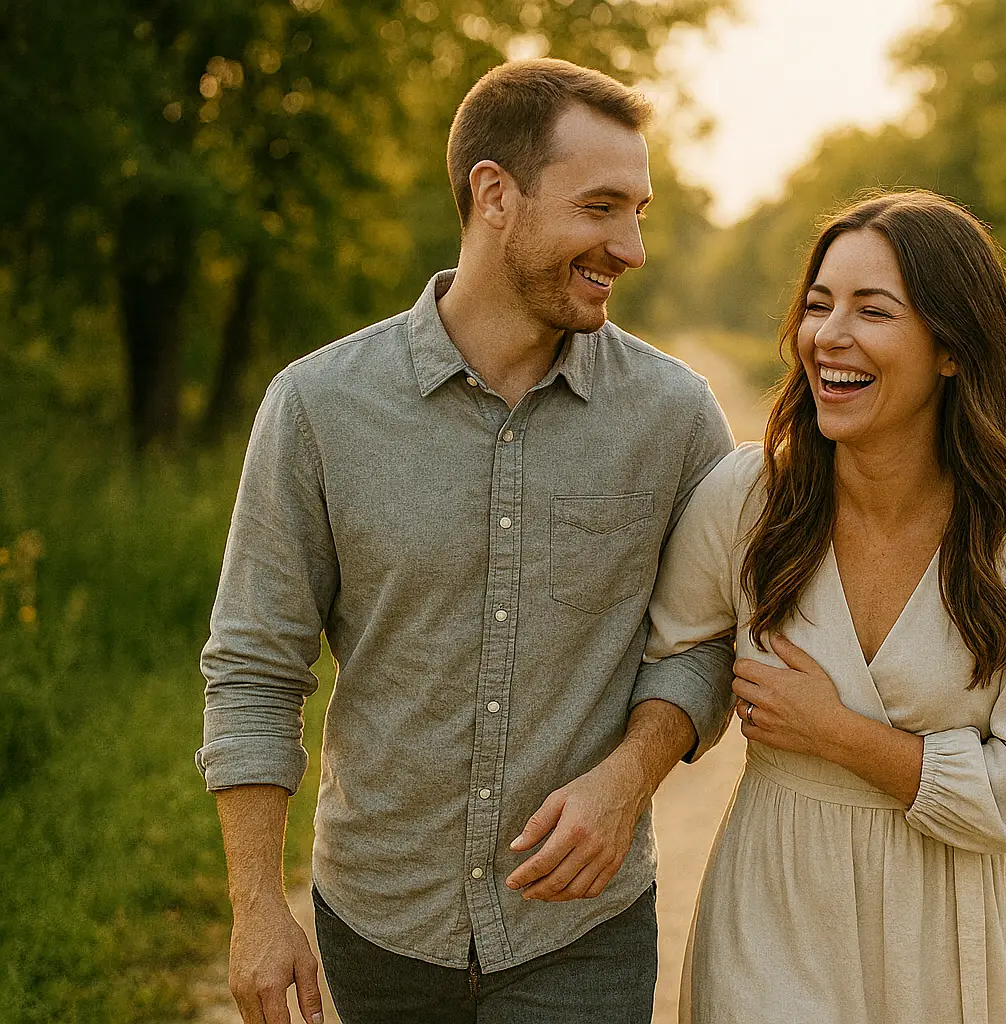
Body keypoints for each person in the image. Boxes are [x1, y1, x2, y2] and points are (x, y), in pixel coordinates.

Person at [197, 59, 737, 1024]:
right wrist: (254, 908)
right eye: (602, 207)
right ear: (496, 194)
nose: (631, 247)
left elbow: (708, 640)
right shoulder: (318, 408)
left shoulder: (675, 417)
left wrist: (628, 779)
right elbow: (254, 663)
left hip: (581, 930)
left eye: (638, 212)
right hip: (377, 925)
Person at [644, 189, 1006, 1023]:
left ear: (951, 348)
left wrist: (840, 735)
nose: (830, 335)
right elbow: (667, 658)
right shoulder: (748, 497)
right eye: (819, 305)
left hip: (963, 926)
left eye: (874, 310)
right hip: (777, 910)